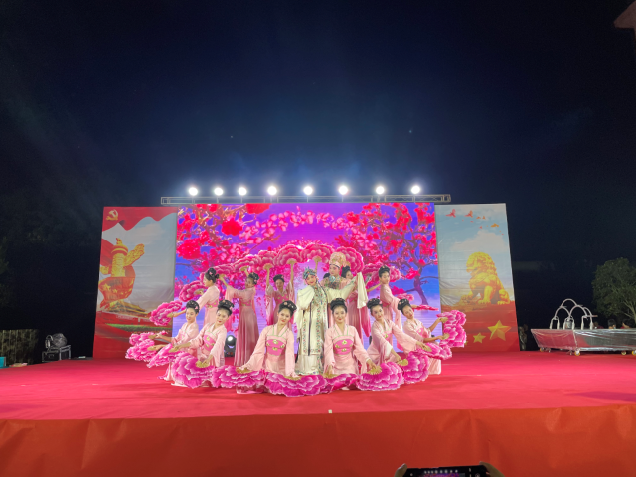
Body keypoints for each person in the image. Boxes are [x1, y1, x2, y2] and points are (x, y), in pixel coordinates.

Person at [295, 268, 363, 375]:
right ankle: (309, 368)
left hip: (322, 322)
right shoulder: (304, 292)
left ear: (316, 277)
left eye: (312, 277)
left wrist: (353, 282)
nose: (311, 280)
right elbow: (301, 306)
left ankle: (322, 366)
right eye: (308, 279)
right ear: (305, 281)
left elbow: (340, 294)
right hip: (309, 324)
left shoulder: (325, 290)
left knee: (322, 342)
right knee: (311, 343)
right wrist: (307, 295)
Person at [170, 299, 234, 388]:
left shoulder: (223, 331)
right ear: (216, 314)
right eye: (219, 315)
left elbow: (217, 346)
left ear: (228, 317)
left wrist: (209, 359)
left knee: (206, 382)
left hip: (213, 358)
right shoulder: (208, 326)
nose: (220, 318)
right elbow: (198, 340)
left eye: (224, 316)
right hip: (203, 357)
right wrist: (181, 345)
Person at [238, 300, 297, 377]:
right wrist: (250, 365)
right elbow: (258, 349)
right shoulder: (266, 330)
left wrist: (289, 372)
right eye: (282, 314)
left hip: (281, 368)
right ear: (277, 314)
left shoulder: (289, 334)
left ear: (290, 318)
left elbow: (289, 354)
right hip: (267, 366)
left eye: (287, 316)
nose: (284, 318)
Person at [323, 298, 379, 377]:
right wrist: (329, 365)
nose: (340, 316)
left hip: (350, 367)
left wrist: (368, 360)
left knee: (351, 381)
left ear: (346, 314)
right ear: (333, 315)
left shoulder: (352, 330)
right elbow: (328, 351)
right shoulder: (330, 331)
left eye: (342, 313)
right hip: (335, 368)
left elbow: (360, 348)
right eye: (337, 313)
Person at [147, 299, 200, 383]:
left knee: (172, 352)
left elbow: (183, 341)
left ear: (196, 314)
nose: (188, 316)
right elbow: (176, 339)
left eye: (191, 314)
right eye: (187, 313)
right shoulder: (185, 325)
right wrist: (162, 336)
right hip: (181, 347)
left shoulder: (194, 327)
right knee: (171, 352)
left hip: (189, 351)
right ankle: (174, 375)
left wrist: (164, 346)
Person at [365, 298, 430, 365]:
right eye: (376, 312)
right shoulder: (374, 328)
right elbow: (383, 342)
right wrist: (395, 354)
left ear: (383, 310)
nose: (379, 314)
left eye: (380, 311)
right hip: (375, 355)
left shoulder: (389, 323)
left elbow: (401, 335)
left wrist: (418, 342)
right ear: (372, 314)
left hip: (387, 352)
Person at [220, 268, 259, 367]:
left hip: (247, 316)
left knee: (248, 337)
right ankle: (250, 359)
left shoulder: (246, 292)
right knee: (249, 336)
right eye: (246, 281)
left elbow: (232, 291)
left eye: (249, 282)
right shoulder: (252, 290)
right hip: (248, 314)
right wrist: (245, 271)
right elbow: (250, 281)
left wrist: (223, 280)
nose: (246, 283)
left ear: (253, 284)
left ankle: (247, 360)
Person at [399, 298, 448, 374]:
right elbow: (421, 339)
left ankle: (432, 371)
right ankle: (426, 371)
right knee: (434, 346)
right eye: (406, 312)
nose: (410, 313)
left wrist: (437, 321)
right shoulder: (407, 325)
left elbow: (427, 331)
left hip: (422, 343)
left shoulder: (417, 321)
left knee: (436, 344)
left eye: (410, 310)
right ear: (403, 314)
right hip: (415, 346)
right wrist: (436, 337)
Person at [343, 265, 373, 338]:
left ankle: (358, 341)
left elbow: (361, 288)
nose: (351, 276)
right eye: (348, 275)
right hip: (353, 306)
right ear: (345, 277)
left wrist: (368, 278)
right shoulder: (346, 285)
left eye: (351, 274)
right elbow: (358, 289)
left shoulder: (354, 283)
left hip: (358, 305)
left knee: (359, 323)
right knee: (354, 323)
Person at [264, 262, 295, 326]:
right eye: (277, 283)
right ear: (275, 284)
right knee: (277, 328)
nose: (278, 285)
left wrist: (291, 266)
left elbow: (291, 281)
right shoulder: (275, 293)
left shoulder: (287, 291)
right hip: (277, 312)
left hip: (287, 312)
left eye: (280, 283)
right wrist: (268, 271)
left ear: (283, 283)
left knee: (286, 328)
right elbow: (267, 286)